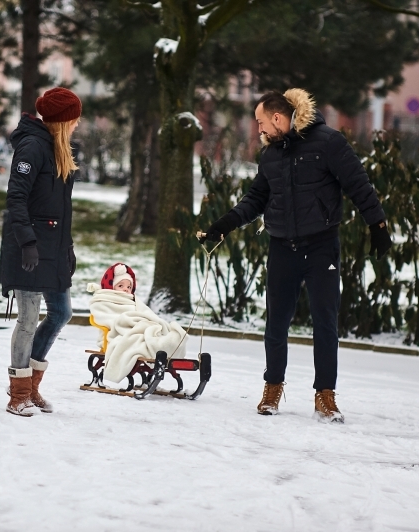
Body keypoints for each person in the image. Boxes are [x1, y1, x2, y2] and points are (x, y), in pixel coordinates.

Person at [199, 89, 392, 423]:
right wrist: (223, 225)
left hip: (321, 246)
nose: (259, 130)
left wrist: (377, 224)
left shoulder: (328, 142)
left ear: (277, 118)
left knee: (325, 323)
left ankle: (325, 396)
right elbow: (256, 198)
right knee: (276, 323)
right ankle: (272, 387)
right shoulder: (271, 155)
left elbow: (358, 183)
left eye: (261, 122)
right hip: (281, 246)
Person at [0, 87, 82, 417]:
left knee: (61, 313)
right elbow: (15, 198)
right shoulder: (32, 147)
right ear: (63, 120)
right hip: (30, 248)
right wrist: (28, 243)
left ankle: (31, 384)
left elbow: (61, 208)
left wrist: (68, 247)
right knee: (29, 320)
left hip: (54, 247)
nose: (77, 123)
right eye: (74, 118)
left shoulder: (58, 148)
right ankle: (18, 393)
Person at [88, 263, 187, 384]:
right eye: (121, 285)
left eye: (129, 287)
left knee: (155, 332)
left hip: (141, 329)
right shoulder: (104, 301)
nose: (126, 289)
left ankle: (166, 345)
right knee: (138, 340)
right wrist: (130, 323)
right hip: (119, 334)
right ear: (111, 287)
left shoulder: (133, 301)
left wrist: (150, 324)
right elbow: (110, 319)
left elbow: (147, 315)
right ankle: (161, 347)